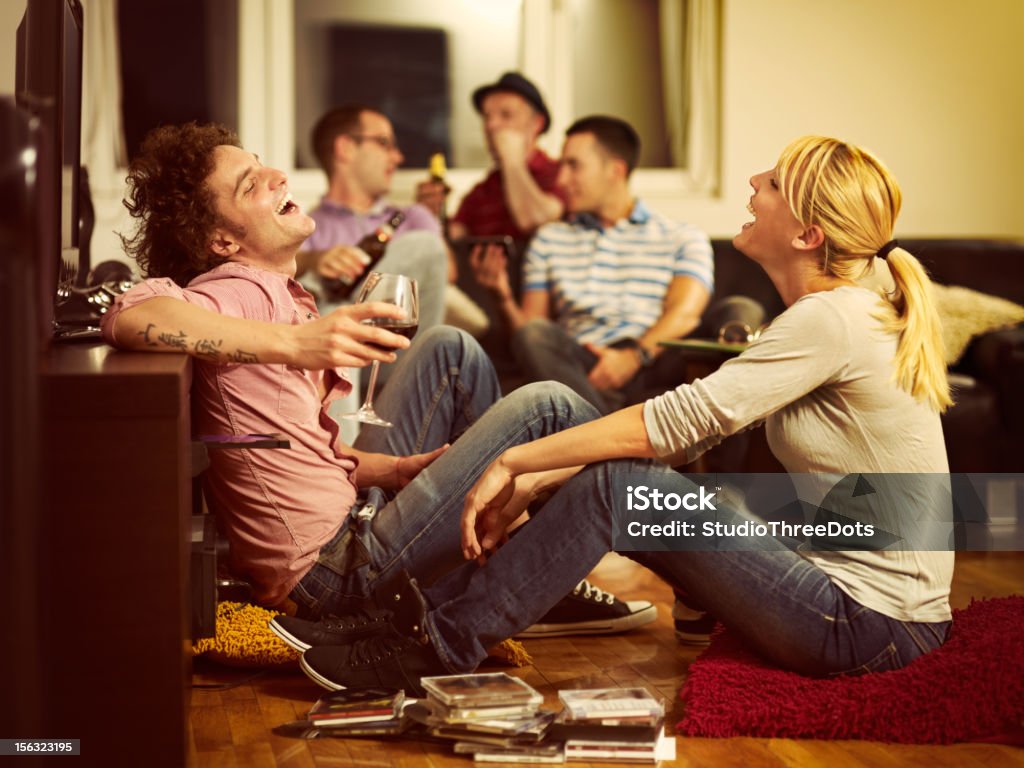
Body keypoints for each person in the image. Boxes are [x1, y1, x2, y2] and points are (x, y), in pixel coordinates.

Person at [285, 135, 957, 698]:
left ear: (809, 233)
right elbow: (668, 439)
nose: (754, 181)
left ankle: (431, 645)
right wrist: (544, 472)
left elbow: (678, 423)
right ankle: (402, 608)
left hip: (869, 626)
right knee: (564, 413)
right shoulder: (847, 307)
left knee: (616, 487)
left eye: (774, 182)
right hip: (839, 593)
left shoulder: (831, 318)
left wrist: (517, 463)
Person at [105, 122, 655, 638]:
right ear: (223, 241)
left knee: (450, 349)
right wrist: (297, 344)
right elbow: (129, 312)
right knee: (546, 407)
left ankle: (514, 562)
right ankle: (575, 562)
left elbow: (305, 450)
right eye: (252, 184)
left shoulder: (277, 292)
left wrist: (394, 470)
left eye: (264, 165)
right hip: (339, 574)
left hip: (355, 520)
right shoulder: (235, 291)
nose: (276, 176)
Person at [474, 115, 714, 414]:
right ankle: (607, 438)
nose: (561, 180)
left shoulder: (683, 237)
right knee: (534, 334)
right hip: (579, 366)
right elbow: (529, 330)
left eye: (574, 165)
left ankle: (588, 432)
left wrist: (632, 357)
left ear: (615, 170)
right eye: (562, 165)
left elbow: (684, 315)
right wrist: (502, 297)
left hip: (652, 360)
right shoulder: (550, 239)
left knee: (728, 325)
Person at [298, 104, 487, 342]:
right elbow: (283, 276)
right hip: (336, 353)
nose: (398, 157)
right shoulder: (305, 227)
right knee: (317, 304)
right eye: (384, 143)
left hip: (400, 350)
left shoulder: (413, 216)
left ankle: (344, 315)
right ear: (345, 148)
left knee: (425, 245)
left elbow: (444, 271)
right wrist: (316, 260)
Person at [417, 71, 566, 243]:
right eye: (487, 117)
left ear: (537, 123)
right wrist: (428, 216)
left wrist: (512, 161)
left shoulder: (560, 175)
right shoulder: (481, 192)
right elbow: (452, 242)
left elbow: (534, 221)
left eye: (506, 115)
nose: (491, 125)